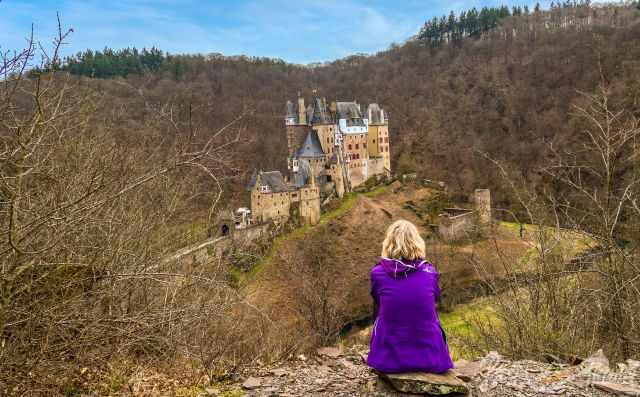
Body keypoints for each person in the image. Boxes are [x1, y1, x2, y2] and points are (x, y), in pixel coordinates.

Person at [366, 219, 454, 374]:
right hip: (431, 358)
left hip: (387, 359)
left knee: (382, 317)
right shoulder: (430, 272)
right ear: (417, 242)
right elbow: (434, 299)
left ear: (388, 243)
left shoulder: (378, 273)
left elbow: (379, 302)